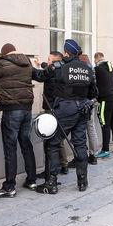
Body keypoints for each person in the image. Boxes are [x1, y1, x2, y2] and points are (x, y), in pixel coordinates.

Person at [35, 39, 97, 194]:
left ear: (67, 52)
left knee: (52, 143)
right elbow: (93, 93)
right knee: (80, 144)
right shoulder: (88, 68)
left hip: (65, 109)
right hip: (83, 109)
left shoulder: (60, 67)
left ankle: (51, 183)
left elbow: (41, 76)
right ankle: (82, 181)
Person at [0, 43, 37, 198]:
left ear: (4, 53)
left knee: (10, 149)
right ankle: (31, 180)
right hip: (27, 110)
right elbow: (37, 75)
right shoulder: (26, 62)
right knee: (26, 144)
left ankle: (9, 187)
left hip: (11, 111)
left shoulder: (2, 64)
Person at [33, 51, 71, 176]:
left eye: (49, 60)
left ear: (54, 62)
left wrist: (28, 67)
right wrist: (41, 63)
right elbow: (47, 68)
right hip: (60, 108)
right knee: (58, 139)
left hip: (51, 108)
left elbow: (40, 75)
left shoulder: (52, 72)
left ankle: (50, 171)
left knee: (50, 140)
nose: (47, 62)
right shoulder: (61, 69)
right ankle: (64, 164)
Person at [94, 52, 113, 158]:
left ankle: (105, 150)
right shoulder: (110, 67)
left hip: (105, 99)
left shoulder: (97, 69)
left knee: (105, 124)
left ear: (96, 59)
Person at [80, 53, 101, 165]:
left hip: (84, 103)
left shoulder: (83, 71)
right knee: (91, 129)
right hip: (91, 102)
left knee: (81, 130)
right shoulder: (92, 70)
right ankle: (94, 155)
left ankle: (82, 155)